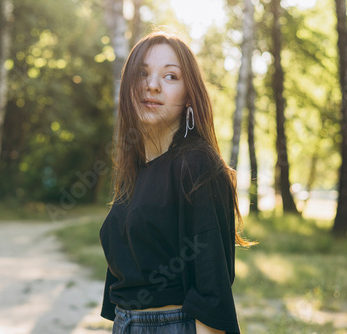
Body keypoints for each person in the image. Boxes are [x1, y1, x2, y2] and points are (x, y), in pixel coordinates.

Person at [99, 31, 255, 334]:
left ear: (188, 96)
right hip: (125, 324)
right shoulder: (135, 171)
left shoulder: (197, 164)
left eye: (170, 76)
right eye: (142, 74)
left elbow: (212, 291)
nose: (152, 85)